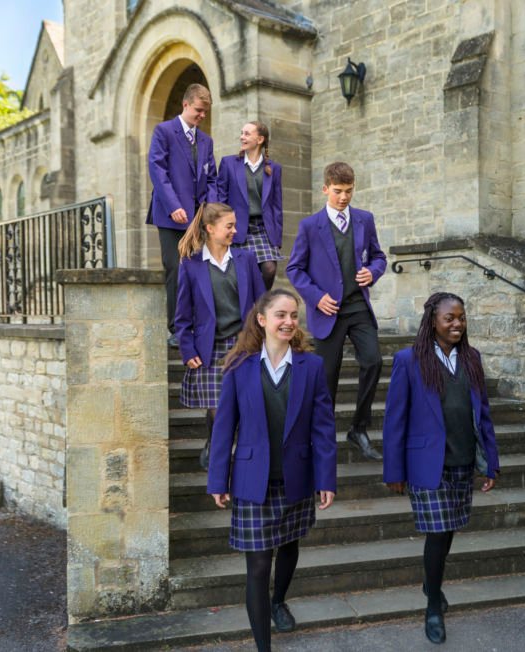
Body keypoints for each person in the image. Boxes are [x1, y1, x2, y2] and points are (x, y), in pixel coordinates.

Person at [207, 288, 338, 652]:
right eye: (281, 314)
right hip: (253, 481)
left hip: (297, 476)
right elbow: (224, 427)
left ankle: (279, 600)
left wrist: (326, 477)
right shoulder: (239, 367)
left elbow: (323, 427)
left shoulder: (311, 366)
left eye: (294, 315)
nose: (289, 321)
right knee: (258, 566)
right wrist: (218, 479)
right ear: (262, 320)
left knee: (290, 545)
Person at [381, 292, 501, 645]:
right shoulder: (409, 360)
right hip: (426, 464)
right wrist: (394, 471)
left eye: (461, 317)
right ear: (432, 321)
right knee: (437, 533)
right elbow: (394, 420)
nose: (457, 324)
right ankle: (433, 605)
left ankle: (430, 582)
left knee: (448, 531)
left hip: (463, 459)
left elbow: (484, 414)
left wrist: (491, 463)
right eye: (449, 318)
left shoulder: (472, 358)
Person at [285, 161, 387, 461]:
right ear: (325, 189)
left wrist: (373, 271)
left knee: (374, 361)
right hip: (327, 312)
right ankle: (322, 436)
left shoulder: (365, 219)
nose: (344, 197)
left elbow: (379, 256)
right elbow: (295, 269)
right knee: (327, 377)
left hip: (358, 306)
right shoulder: (310, 226)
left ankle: (359, 428)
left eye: (349, 191)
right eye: (338, 191)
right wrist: (316, 298)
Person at [175, 202, 265, 470]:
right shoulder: (191, 265)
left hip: (244, 343)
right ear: (210, 228)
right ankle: (215, 444)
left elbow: (263, 303)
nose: (235, 231)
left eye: (234, 225)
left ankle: (231, 448)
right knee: (217, 407)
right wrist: (187, 349)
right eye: (229, 226)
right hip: (210, 347)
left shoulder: (246, 259)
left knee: (241, 404)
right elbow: (182, 315)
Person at [146, 83, 217, 348]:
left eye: (205, 112)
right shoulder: (164, 131)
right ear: (185, 104)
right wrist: (173, 205)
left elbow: (211, 177)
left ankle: (198, 325)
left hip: (199, 219)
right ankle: (176, 329)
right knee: (176, 269)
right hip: (170, 215)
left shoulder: (206, 141)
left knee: (198, 270)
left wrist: (209, 211)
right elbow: (157, 170)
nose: (202, 116)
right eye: (198, 110)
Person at [216, 121, 284, 291]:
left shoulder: (274, 168)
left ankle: (260, 303)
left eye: (247, 134)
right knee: (242, 274)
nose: (242, 137)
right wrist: (221, 229)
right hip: (237, 228)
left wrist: (277, 237)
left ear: (260, 139)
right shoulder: (228, 163)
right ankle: (248, 304)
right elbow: (221, 199)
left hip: (263, 229)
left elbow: (276, 205)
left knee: (269, 269)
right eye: (242, 133)